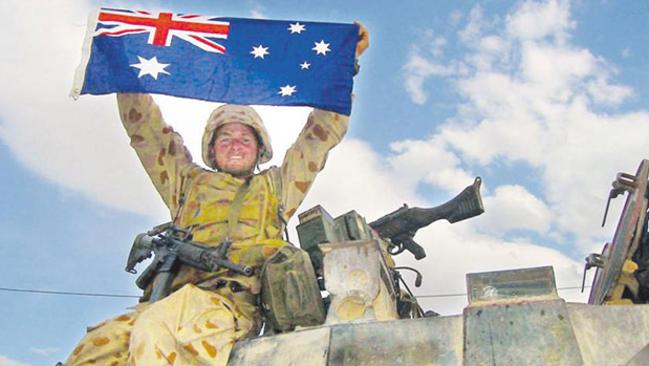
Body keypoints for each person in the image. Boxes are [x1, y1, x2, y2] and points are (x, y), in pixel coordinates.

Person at [65, 23, 369, 366]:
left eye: (244, 138)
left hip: (229, 306)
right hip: (169, 298)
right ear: (211, 148)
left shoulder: (274, 188)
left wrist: (345, 65)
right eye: (224, 138)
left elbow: (318, 137)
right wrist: (124, 67)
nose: (235, 144)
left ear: (259, 148)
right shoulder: (187, 183)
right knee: (95, 348)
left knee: (157, 331)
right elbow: (147, 132)